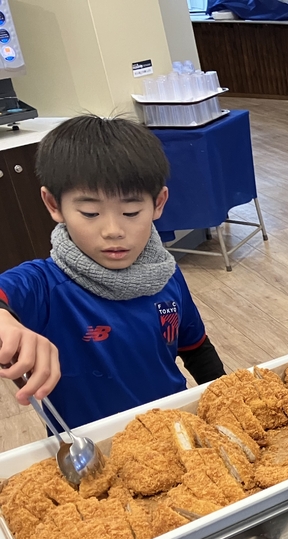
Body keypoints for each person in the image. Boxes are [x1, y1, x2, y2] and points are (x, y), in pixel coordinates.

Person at [0, 115, 225, 428]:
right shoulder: (43, 284)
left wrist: (226, 401)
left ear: (158, 203)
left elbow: (196, 348)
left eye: (131, 212)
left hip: (172, 428)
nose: (113, 231)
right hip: (92, 445)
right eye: (90, 213)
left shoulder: (166, 275)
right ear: (53, 205)